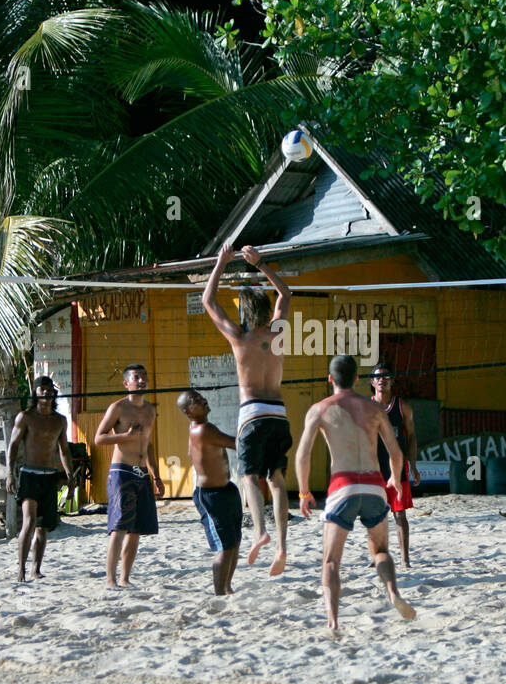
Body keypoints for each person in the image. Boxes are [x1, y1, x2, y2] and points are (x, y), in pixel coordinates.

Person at [296, 355, 416, 631]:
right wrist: (395, 480)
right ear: (358, 379)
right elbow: (396, 452)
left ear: (330, 379)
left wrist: (304, 492)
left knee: (331, 561)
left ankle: (334, 621)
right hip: (375, 485)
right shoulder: (375, 410)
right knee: (382, 551)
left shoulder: (320, 409)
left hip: (343, 485)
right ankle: (393, 593)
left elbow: (303, 454)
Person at [202, 243, 293, 577]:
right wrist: (261, 265)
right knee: (278, 478)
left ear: (244, 311)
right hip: (278, 413)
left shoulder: (239, 337)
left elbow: (207, 301)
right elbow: (285, 294)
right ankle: (282, 544)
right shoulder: (277, 333)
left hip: (252, 413)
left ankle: (260, 532)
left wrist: (221, 261)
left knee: (248, 477)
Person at [94, 364, 165, 588]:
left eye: (144, 376)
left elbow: (149, 444)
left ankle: (125, 578)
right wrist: (125, 436)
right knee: (119, 527)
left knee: (136, 530)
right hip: (121, 471)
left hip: (142, 472)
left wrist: (156, 475)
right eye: (137, 377)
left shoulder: (150, 410)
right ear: (127, 383)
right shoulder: (118, 407)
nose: (142, 380)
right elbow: (99, 438)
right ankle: (110, 579)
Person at [6, 375, 76, 582]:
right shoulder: (26, 417)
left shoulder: (59, 420)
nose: (46, 392)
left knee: (43, 528)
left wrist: (70, 476)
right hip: (30, 475)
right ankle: (20, 569)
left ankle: (35, 569)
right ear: (35, 393)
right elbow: (13, 445)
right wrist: (10, 473)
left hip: (49, 476)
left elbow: (64, 449)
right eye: (42, 389)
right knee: (28, 523)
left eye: (49, 389)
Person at [178, 388, 241, 595]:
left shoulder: (200, 427)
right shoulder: (203, 430)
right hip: (211, 496)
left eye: (201, 397)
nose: (203, 400)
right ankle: (219, 593)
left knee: (234, 542)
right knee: (225, 547)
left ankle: (227, 587)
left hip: (227, 489)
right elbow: (236, 444)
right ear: (188, 411)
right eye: (196, 400)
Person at [370, 361, 421, 568]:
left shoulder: (403, 407)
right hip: (374, 468)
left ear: (392, 381)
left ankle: (405, 559)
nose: (382, 379)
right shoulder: (367, 407)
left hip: (397, 467)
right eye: (378, 376)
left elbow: (412, 438)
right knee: (375, 515)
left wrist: (414, 466)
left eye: (386, 376)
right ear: (372, 382)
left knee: (400, 514)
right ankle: (378, 556)